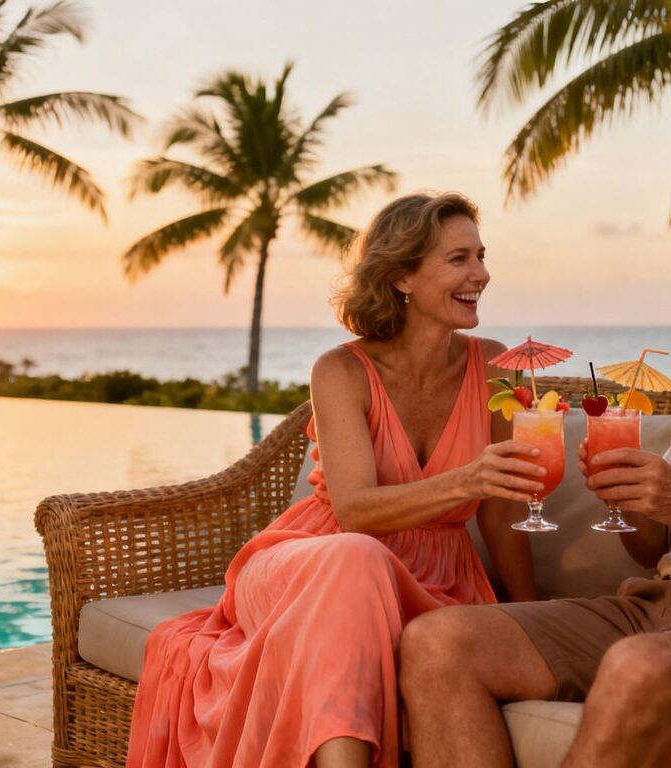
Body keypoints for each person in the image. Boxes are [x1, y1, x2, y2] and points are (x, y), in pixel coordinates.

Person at [125, 192, 540, 768]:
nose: (481, 274)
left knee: (359, 571)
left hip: (435, 581)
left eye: (481, 255)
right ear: (402, 276)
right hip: (313, 560)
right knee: (355, 555)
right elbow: (355, 513)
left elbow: (502, 513)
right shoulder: (341, 369)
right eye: (459, 259)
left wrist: (532, 612)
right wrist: (468, 480)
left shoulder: (495, 365)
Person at [399, 178, 671, 768]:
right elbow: (650, 547)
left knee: (641, 666)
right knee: (438, 642)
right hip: (661, 602)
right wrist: (629, 496)